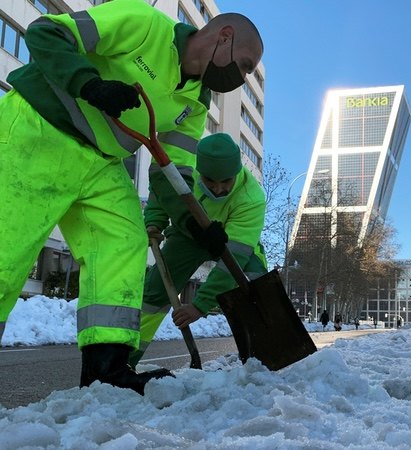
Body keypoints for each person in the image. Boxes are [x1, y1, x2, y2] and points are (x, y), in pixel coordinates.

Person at [0, 0, 263, 394]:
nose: (242, 78)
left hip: (104, 160)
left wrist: (194, 225)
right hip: (41, 129)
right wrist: (89, 83)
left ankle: (107, 370)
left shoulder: (196, 101)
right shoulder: (144, 24)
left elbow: (172, 173)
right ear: (223, 36)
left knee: (123, 240)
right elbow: (46, 33)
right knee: (7, 248)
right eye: (243, 64)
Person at [129, 133, 267, 366]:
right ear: (200, 170)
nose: (219, 188)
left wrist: (199, 306)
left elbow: (232, 261)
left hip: (229, 240)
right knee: (154, 293)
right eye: (211, 180)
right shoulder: (184, 173)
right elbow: (162, 195)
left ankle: (263, 353)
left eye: (226, 181)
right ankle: (124, 358)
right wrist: (154, 221)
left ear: (236, 172)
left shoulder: (252, 198)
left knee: (257, 282)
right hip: (188, 236)